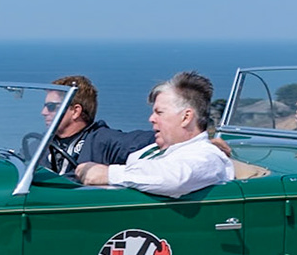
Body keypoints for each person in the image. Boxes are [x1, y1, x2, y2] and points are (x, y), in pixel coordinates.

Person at [77, 71, 235, 196]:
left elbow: (175, 178)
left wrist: (109, 173)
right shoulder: (153, 150)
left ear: (186, 117)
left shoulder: (207, 156)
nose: (151, 119)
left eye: (160, 112)